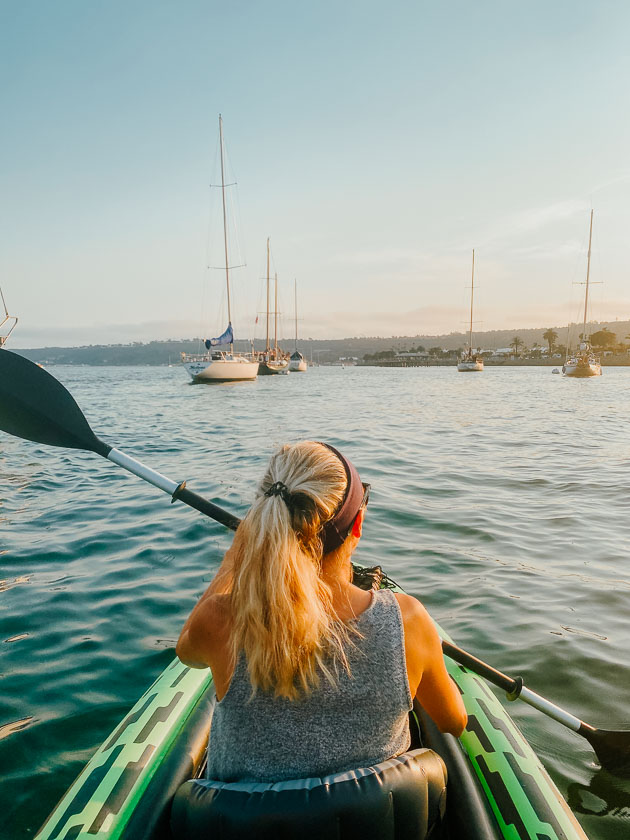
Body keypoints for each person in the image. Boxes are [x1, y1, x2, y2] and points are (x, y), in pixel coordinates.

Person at [176, 440, 467, 782]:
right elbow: (453, 722)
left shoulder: (220, 619)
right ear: (356, 526)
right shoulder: (407, 620)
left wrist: (233, 562)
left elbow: (187, 653)